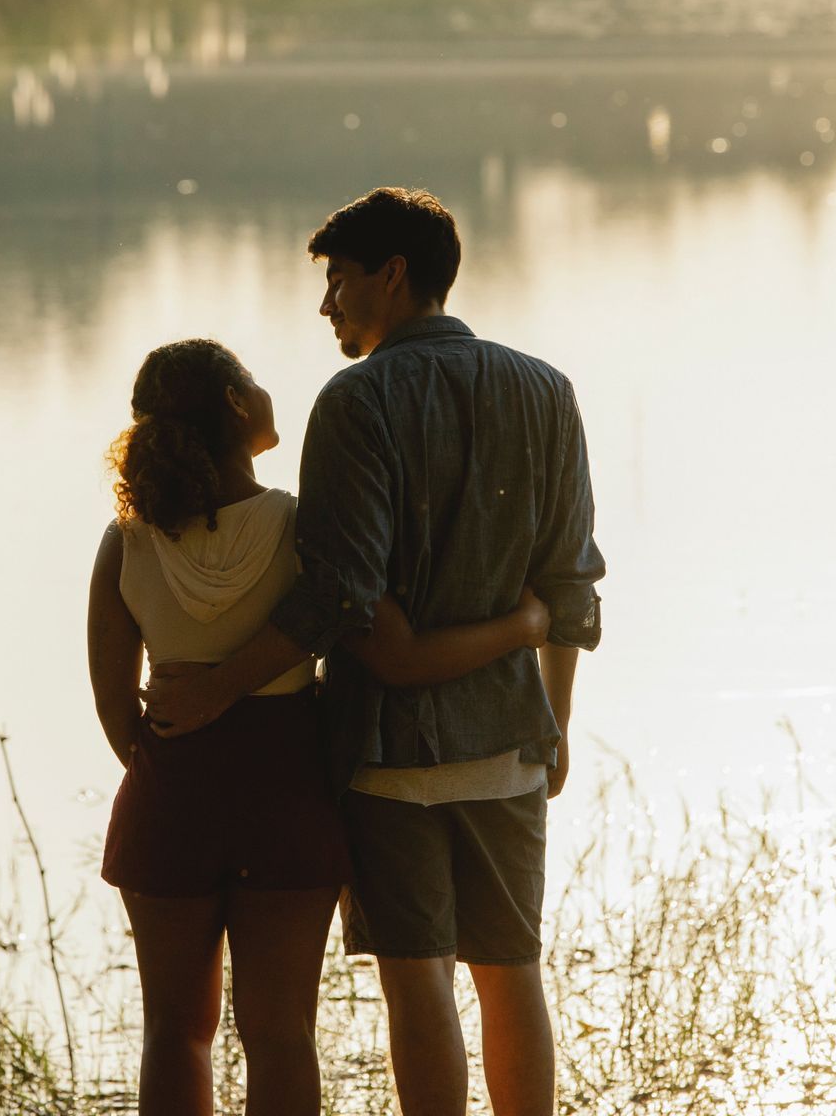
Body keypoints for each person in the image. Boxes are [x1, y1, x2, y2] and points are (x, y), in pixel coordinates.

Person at [143, 188, 605, 1116]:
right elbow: (570, 590)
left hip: (388, 757)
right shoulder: (548, 389)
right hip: (512, 740)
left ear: (393, 276)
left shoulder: (356, 402)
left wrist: (218, 690)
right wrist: (555, 722)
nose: (328, 306)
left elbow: (339, 597)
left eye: (339, 281)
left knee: (419, 979)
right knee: (514, 975)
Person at [88, 336, 553, 1116]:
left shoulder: (125, 541)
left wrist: (172, 761)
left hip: (170, 792)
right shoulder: (300, 529)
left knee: (174, 1031)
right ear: (238, 405)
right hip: (287, 798)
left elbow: (112, 705)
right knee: (280, 1033)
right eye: (255, 381)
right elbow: (347, 625)